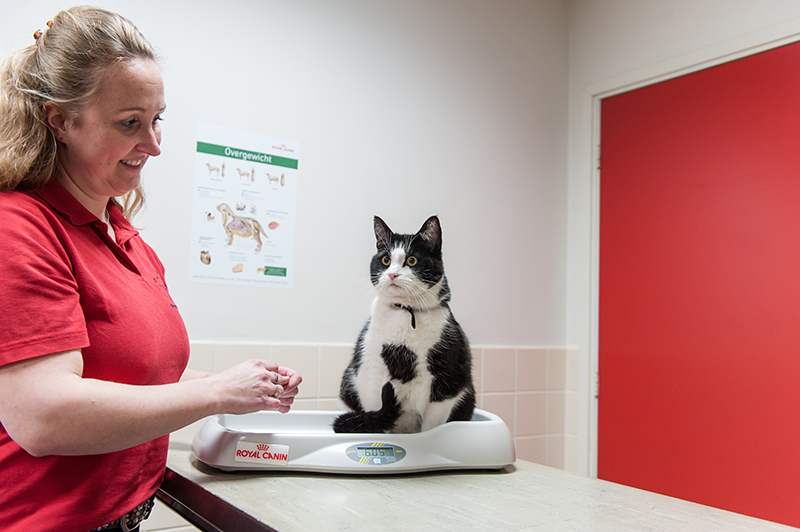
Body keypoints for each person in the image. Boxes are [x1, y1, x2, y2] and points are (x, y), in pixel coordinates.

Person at [0, 7, 302, 531]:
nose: (154, 144)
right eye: (129, 123)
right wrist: (215, 393)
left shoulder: (125, 237)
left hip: (125, 515)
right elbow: (43, 417)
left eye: (157, 119)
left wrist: (245, 383)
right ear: (61, 121)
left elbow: (132, 376)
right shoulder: (19, 226)